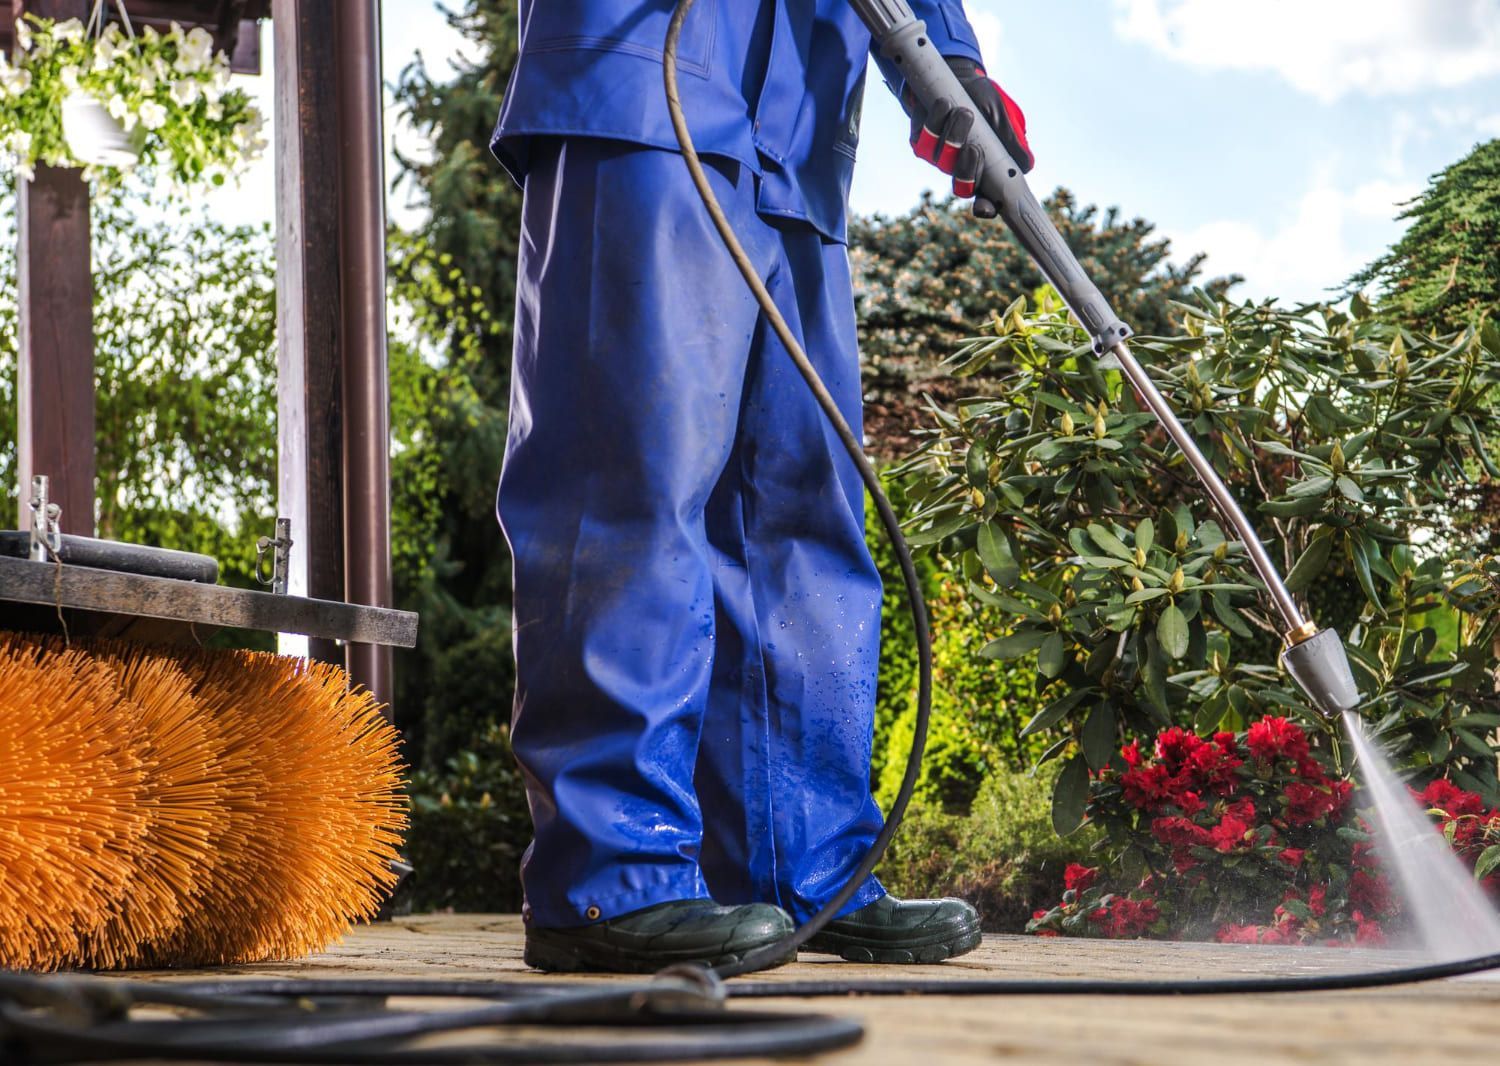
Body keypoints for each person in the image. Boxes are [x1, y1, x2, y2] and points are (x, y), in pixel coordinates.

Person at [489, 0, 1034, 974]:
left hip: (800, 128)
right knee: (630, 477)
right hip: (645, 79)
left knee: (801, 516)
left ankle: (803, 867)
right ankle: (612, 877)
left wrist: (949, 62)